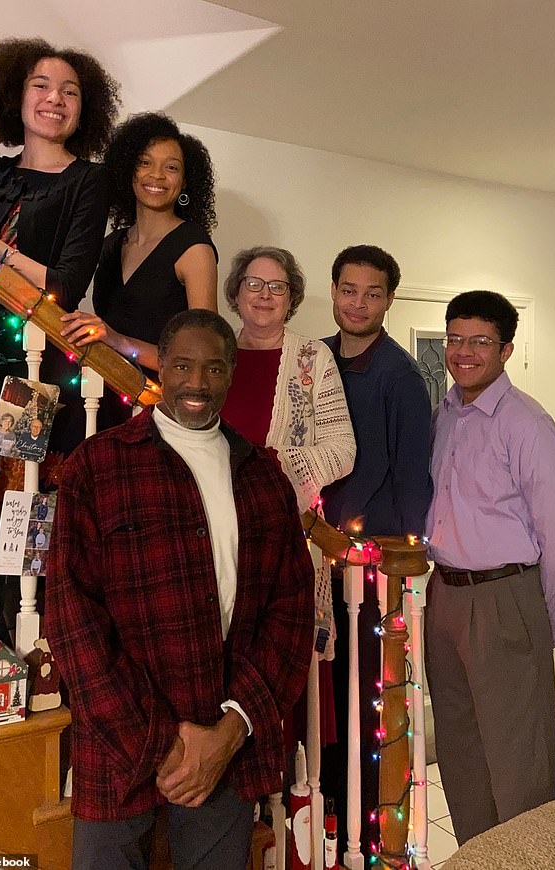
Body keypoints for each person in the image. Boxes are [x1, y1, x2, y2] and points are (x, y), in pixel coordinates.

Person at [45, 309, 315, 870]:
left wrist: (231, 730)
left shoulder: (264, 477)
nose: (197, 383)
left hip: (225, 748)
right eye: (184, 366)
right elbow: (72, 617)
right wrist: (160, 741)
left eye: (214, 369)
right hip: (118, 745)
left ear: (232, 372)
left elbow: (289, 613)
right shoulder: (98, 466)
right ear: (160, 366)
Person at [425, 290, 555, 846]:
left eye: (481, 342)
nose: (464, 352)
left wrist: (544, 627)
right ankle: (480, 856)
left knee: (519, 760)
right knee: (460, 750)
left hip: (505, 600)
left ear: (507, 349)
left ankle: (533, 858)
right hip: (443, 596)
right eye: (456, 339)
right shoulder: (445, 414)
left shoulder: (528, 425)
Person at [0, 37, 119, 633]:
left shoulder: (89, 181)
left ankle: (9, 639)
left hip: (32, 369)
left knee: (20, 510)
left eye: (70, 91)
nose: (54, 99)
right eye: (41, 85)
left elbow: (65, 278)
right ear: (17, 94)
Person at [320, 244, 433, 857]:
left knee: (371, 707)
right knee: (328, 697)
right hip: (320, 560)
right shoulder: (315, 359)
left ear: (388, 299)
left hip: (372, 571)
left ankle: (372, 835)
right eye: (348, 289)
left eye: (372, 293)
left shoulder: (399, 377)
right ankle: (329, 815)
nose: (357, 302)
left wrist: (404, 563)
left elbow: (413, 477)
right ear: (333, 290)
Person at [221, 246, 356, 746]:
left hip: (289, 539)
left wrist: (278, 470)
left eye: (277, 287)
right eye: (254, 284)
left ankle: (292, 797)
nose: (264, 295)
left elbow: (343, 449)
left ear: (292, 298)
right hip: (222, 537)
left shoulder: (310, 358)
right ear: (235, 292)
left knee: (281, 662)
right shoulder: (217, 352)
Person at [60, 112, 218, 429]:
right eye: (145, 163)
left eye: (171, 167)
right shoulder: (109, 244)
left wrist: (118, 341)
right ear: (128, 170)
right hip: (99, 398)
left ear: (185, 182)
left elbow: (204, 351)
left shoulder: (193, 247)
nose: (157, 175)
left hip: (157, 408)